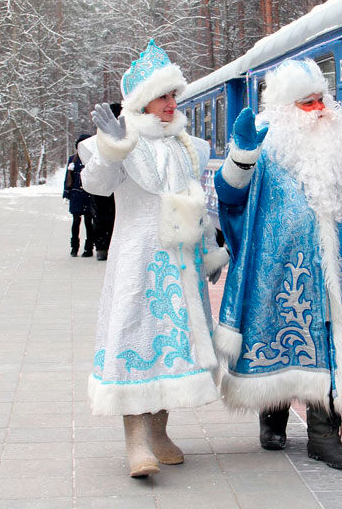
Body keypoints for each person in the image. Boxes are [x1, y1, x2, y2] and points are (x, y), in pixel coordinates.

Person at [212, 59, 342, 471]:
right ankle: (272, 415)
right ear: (286, 108)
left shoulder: (336, 143)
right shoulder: (264, 147)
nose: (320, 108)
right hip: (278, 272)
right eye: (308, 102)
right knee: (280, 341)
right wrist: (240, 156)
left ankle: (324, 436)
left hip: (332, 271)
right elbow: (230, 198)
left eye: (321, 99)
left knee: (327, 342)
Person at [78, 40, 228, 478]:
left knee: (174, 349)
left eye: (173, 96)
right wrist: (111, 146)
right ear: (143, 100)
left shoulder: (190, 147)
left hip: (180, 265)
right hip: (137, 261)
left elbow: (194, 202)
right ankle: (136, 441)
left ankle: (159, 432)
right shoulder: (122, 142)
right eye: (163, 96)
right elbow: (98, 186)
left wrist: (208, 252)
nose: (170, 104)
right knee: (136, 339)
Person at [90, 103, 121, 261]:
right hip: (112, 188)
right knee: (111, 217)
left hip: (104, 190)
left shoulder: (98, 140)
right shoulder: (122, 138)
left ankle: (102, 246)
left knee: (103, 217)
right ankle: (104, 246)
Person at [64, 134, 96, 257]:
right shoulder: (73, 159)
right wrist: (66, 193)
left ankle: (89, 248)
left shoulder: (92, 159)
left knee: (89, 222)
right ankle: (74, 247)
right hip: (76, 195)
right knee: (76, 221)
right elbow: (68, 177)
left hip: (89, 195)